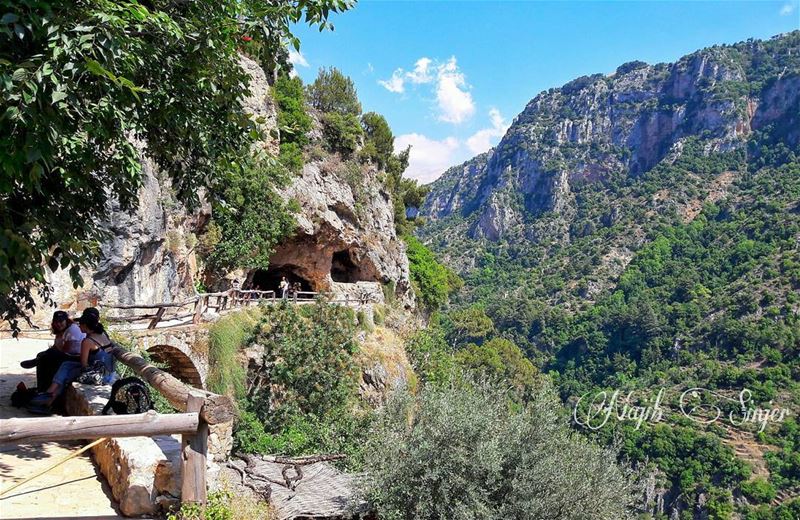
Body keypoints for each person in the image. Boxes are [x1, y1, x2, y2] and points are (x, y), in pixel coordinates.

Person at [29, 309, 116, 409]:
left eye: (80, 324)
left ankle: (48, 399)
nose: (78, 326)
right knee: (66, 365)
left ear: (86, 325)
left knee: (66, 372)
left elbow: (84, 365)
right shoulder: (101, 333)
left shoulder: (87, 341)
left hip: (100, 375)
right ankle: (48, 397)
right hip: (108, 371)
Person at [20, 310, 85, 390]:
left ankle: (43, 387)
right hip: (69, 354)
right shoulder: (62, 331)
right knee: (42, 355)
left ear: (66, 320)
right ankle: (38, 364)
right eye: (56, 321)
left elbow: (66, 350)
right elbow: (56, 346)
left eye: (61, 321)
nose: (58, 324)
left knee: (47, 358)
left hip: (76, 357)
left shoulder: (72, 329)